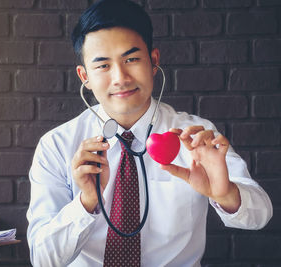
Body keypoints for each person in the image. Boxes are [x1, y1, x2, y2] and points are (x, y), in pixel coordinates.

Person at [26, 0, 273, 266]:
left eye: (131, 59)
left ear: (154, 61)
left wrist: (224, 194)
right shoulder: (57, 145)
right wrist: (86, 203)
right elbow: (42, 259)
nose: (120, 77)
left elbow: (261, 216)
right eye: (103, 66)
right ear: (84, 76)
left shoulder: (195, 138)